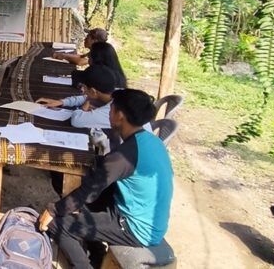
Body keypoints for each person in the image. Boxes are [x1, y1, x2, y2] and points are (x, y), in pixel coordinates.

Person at [37, 89, 173, 269]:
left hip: (137, 228)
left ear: (120, 116)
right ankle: (97, 255)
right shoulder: (149, 140)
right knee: (77, 205)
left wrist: (53, 210)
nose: (108, 113)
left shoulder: (123, 156)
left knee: (57, 223)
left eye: (111, 109)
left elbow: (89, 192)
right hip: (146, 215)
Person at [36, 65, 117, 129]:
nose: (82, 90)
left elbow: (77, 120)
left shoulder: (110, 112)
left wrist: (84, 106)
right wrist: (62, 102)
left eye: (84, 87)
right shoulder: (114, 92)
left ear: (93, 91)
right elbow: (85, 97)